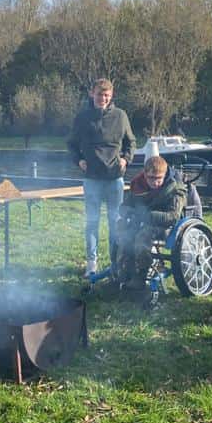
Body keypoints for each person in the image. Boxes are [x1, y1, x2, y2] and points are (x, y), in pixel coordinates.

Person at [67, 78, 136, 276]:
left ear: (111, 96)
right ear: (92, 94)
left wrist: (126, 159)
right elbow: (71, 144)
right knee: (92, 222)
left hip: (115, 178)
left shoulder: (121, 116)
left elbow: (131, 142)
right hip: (92, 179)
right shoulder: (82, 118)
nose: (102, 98)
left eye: (106, 95)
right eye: (99, 94)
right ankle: (92, 264)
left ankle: (116, 264)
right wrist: (79, 161)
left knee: (115, 222)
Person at [114, 156, 188, 290]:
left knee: (143, 236)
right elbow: (123, 206)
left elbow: (173, 216)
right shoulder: (138, 185)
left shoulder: (175, 188)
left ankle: (141, 276)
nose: (155, 182)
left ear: (165, 174)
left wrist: (148, 216)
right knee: (122, 230)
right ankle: (124, 270)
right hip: (141, 221)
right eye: (151, 178)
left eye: (159, 178)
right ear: (145, 174)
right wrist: (129, 213)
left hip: (165, 226)